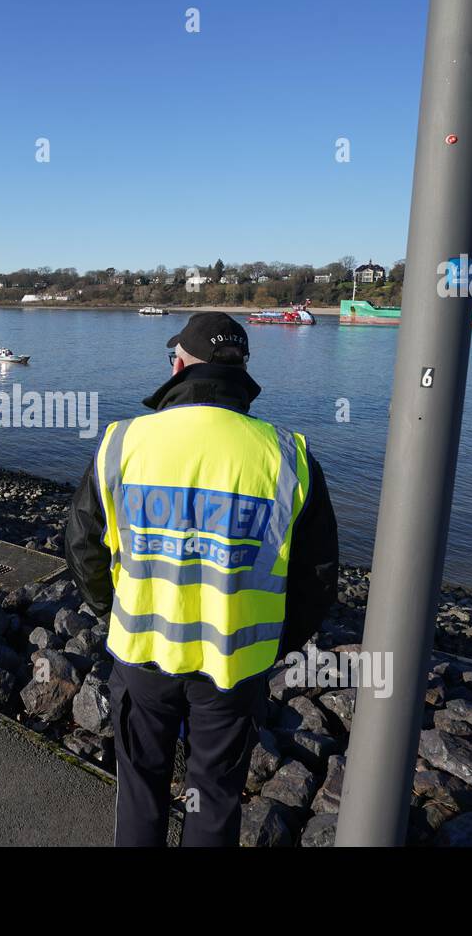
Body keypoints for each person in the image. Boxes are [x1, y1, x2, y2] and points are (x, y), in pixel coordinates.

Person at [65, 311, 338, 847]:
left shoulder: (123, 442)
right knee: (214, 795)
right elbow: (318, 577)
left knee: (140, 785)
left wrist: (108, 612)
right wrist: (275, 644)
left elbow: (82, 544)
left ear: (180, 364)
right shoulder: (287, 455)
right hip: (234, 664)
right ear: (241, 368)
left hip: (142, 652)